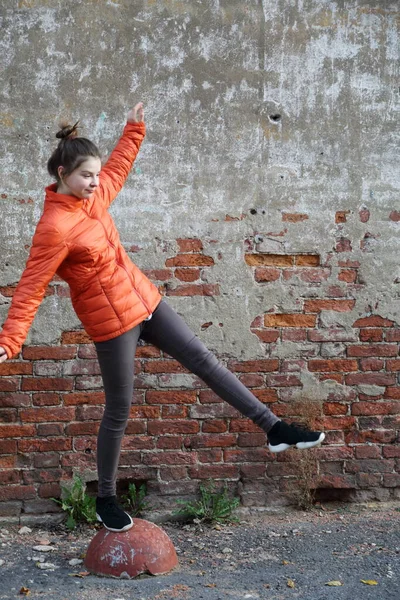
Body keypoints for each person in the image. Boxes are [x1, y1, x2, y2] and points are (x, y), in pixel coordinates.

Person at [0, 102, 325, 532]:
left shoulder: (94, 197)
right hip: (111, 325)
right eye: (85, 176)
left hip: (145, 300)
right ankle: (106, 499)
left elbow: (118, 167)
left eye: (95, 175)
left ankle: (274, 428)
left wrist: (134, 128)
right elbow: (31, 285)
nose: (95, 183)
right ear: (62, 174)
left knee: (204, 360)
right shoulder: (54, 227)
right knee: (119, 410)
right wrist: (9, 340)